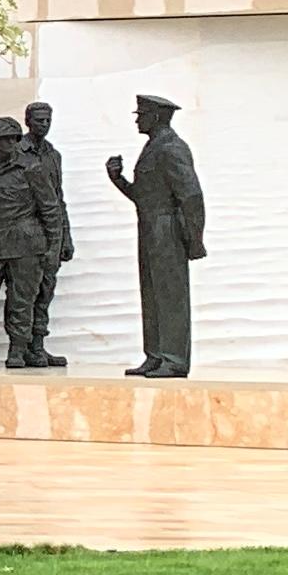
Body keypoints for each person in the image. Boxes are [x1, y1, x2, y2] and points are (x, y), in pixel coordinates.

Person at [106, 93, 209, 377]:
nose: (138, 119)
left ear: (156, 117)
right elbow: (143, 197)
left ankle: (174, 359)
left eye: (142, 114)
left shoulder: (172, 148)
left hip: (168, 229)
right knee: (151, 292)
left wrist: (195, 238)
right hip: (150, 226)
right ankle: (155, 355)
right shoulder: (153, 147)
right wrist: (118, 180)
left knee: (170, 294)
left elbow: (191, 196)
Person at [0, 113, 55, 368]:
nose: (10, 144)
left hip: (26, 241)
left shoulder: (32, 168)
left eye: (13, 138)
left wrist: (53, 247)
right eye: (4, 139)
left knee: (22, 300)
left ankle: (18, 350)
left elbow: (50, 209)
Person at [15, 99, 76, 369]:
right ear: (28, 121)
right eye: (40, 120)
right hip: (22, 232)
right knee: (23, 293)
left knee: (45, 291)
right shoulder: (15, 152)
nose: (45, 124)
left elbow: (59, 198)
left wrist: (66, 236)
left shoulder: (53, 155)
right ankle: (21, 347)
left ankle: (38, 346)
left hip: (49, 232)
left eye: (48, 120)